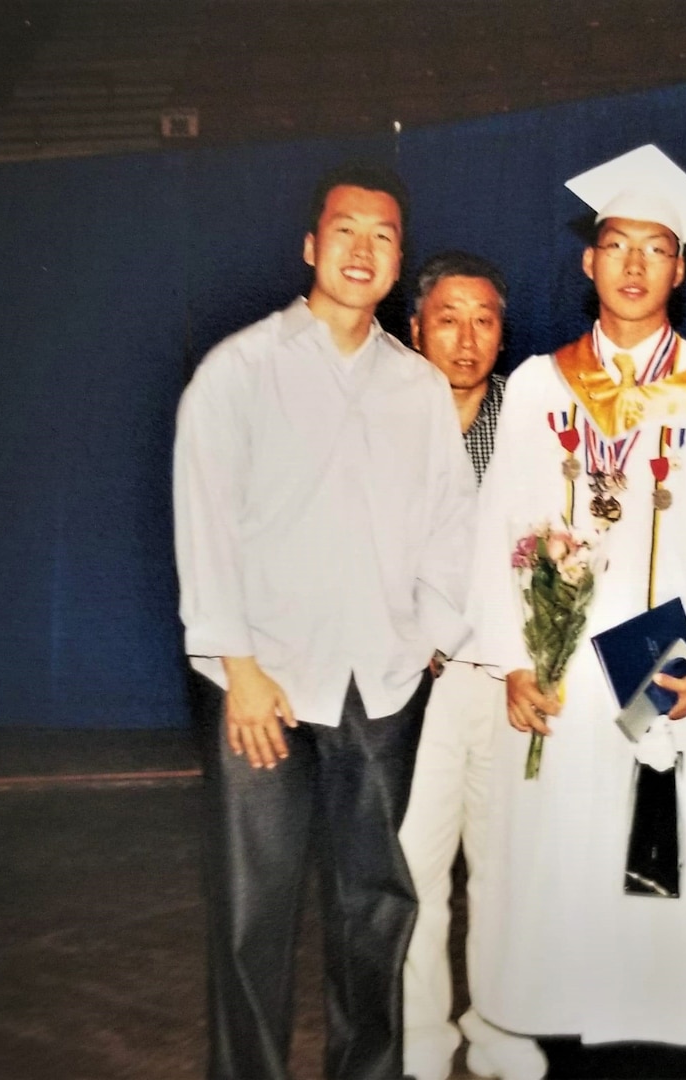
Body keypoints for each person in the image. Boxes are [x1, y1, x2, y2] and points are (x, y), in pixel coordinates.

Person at [466, 145, 686, 1073]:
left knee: (654, 895)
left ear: (681, 269)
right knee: (562, 895)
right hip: (561, 675)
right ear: (588, 261)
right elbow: (500, 527)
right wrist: (513, 657)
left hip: (661, 671)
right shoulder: (538, 387)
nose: (634, 266)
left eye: (656, 249)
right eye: (615, 245)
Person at [173, 161, 477, 1080]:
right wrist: (240, 665)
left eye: (383, 236)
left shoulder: (418, 388)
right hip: (260, 689)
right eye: (346, 230)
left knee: (374, 908)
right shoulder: (239, 369)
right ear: (312, 246)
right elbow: (205, 517)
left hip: (379, 690)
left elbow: (452, 526)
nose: (362, 249)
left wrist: (425, 644)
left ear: (397, 262)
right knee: (252, 912)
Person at [399, 251, 547, 1080]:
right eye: (447, 318)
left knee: (503, 865)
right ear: (413, 328)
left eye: (484, 318)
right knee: (416, 868)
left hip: (502, 678)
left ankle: (501, 1034)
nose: (465, 337)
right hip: (409, 683)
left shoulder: (527, 430)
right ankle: (421, 1043)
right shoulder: (381, 425)